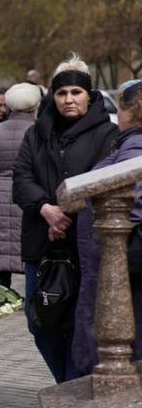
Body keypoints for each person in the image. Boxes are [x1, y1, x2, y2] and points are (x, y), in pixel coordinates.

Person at [13, 55, 116, 383]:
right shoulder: (37, 133)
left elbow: (105, 180)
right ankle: (64, 388)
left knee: (77, 323)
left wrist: (67, 213)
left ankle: (73, 396)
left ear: (89, 95)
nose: (68, 99)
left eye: (75, 92)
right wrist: (47, 209)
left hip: (82, 243)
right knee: (38, 319)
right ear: (52, 96)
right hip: (41, 241)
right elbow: (21, 179)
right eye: (62, 93)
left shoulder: (107, 134)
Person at [73, 79, 142, 379]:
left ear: (128, 110)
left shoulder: (134, 148)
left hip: (120, 260)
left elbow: (132, 201)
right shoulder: (127, 144)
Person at [0, 83, 42, 289]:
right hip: (25, 194)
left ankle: (1, 295)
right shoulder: (37, 130)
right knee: (25, 249)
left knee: (1, 249)